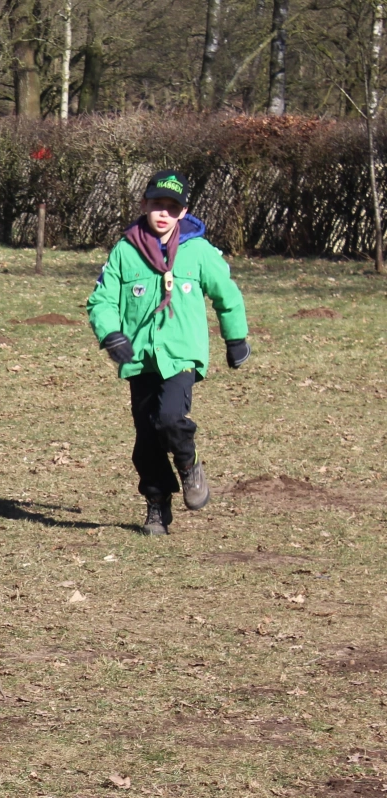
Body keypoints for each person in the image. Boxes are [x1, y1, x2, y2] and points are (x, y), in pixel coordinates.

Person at [86, 169, 250, 536]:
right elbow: (102, 299)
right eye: (157, 205)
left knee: (170, 419)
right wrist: (111, 333)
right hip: (139, 358)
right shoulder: (125, 251)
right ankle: (157, 505)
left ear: (183, 212)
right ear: (144, 204)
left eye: (172, 208)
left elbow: (227, 294)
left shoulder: (198, 251)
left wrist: (235, 338)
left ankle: (189, 466)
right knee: (146, 439)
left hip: (180, 355)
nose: (163, 213)